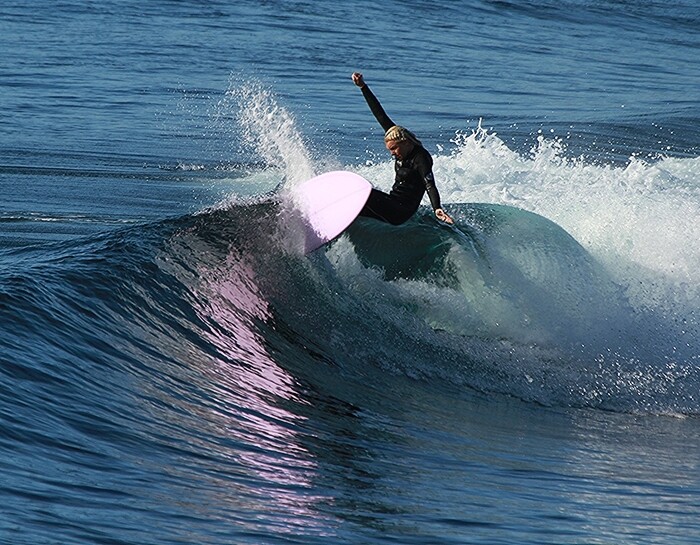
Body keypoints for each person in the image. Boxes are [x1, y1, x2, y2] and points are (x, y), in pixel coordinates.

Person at [351, 72, 454, 226]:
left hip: (401, 212)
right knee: (358, 204)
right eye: (389, 149)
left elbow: (430, 184)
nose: (392, 153)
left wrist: (437, 208)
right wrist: (363, 87)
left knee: (365, 193)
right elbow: (380, 115)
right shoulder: (397, 138)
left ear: (405, 142)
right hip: (392, 202)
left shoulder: (421, 157)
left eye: (394, 149)